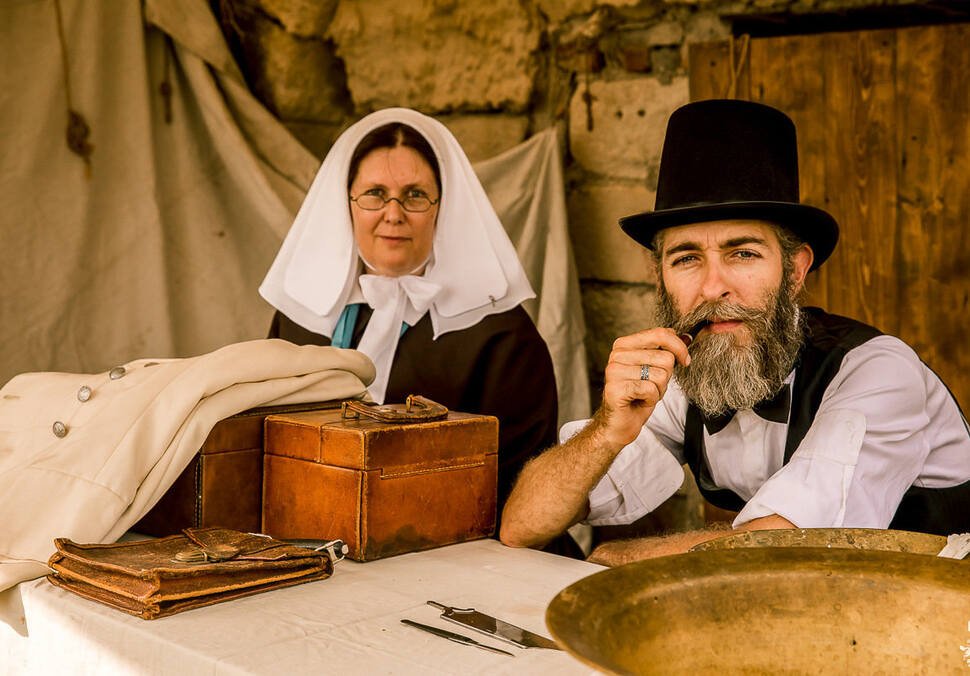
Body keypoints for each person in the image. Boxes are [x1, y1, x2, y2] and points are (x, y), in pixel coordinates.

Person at [499, 99, 970, 564]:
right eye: (685, 258)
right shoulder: (687, 367)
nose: (711, 287)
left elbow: (792, 546)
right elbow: (523, 526)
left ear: (794, 271)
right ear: (658, 275)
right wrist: (605, 430)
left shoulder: (878, 372)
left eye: (742, 253)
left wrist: (612, 558)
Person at [259, 108, 558, 515]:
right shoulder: (302, 313)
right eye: (375, 193)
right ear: (346, 203)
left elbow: (523, 488)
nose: (393, 213)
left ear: (443, 207)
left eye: (415, 195)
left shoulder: (501, 334)